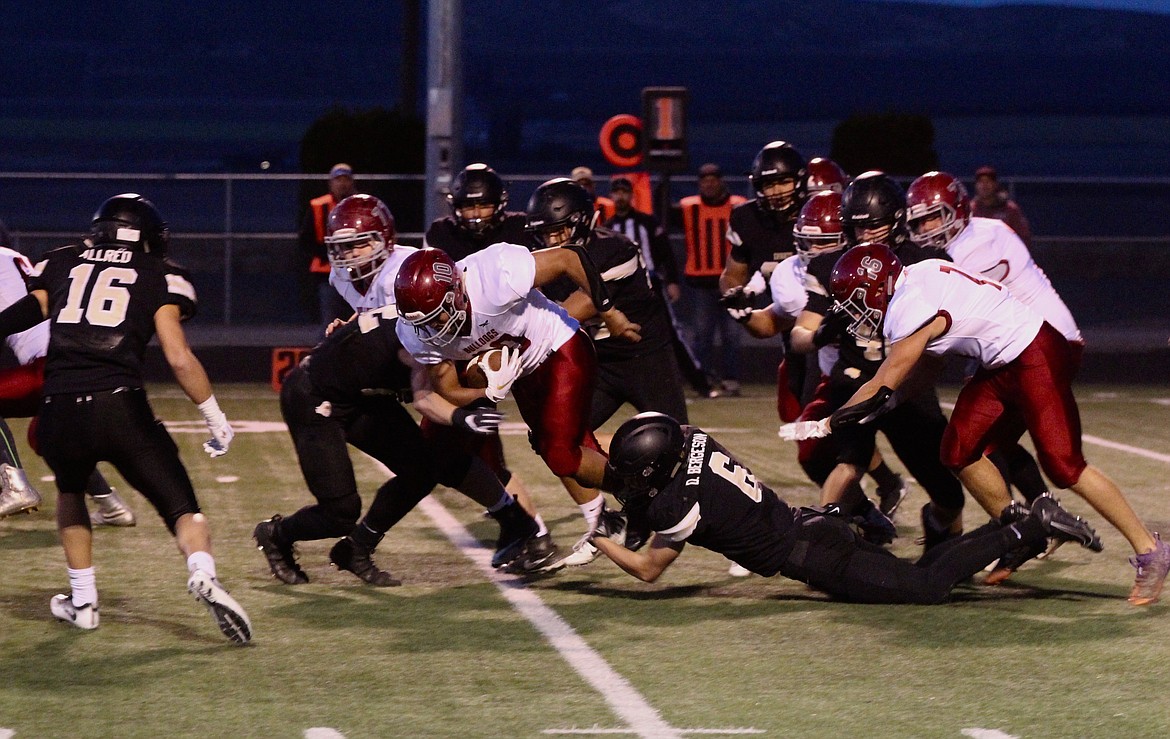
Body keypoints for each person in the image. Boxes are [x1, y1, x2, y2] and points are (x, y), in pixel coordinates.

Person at [789, 242, 1170, 606]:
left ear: (876, 289)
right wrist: (894, 400)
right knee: (957, 451)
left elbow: (880, 384)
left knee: (1064, 464)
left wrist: (829, 422)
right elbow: (929, 364)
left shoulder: (909, 305)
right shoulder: (916, 275)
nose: (856, 314)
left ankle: (1151, 551)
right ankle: (1021, 527)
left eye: (856, 301)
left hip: (1034, 353)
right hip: (1003, 363)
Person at [255, 193, 551, 584]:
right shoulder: (416, 326)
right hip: (318, 395)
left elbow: (419, 376)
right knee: (340, 509)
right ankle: (276, 534)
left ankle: (356, 548)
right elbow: (423, 390)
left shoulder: (415, 298)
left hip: (366, 389)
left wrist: (467, 407)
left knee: (426, 466)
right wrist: (465, 410)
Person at [0, 194, 251, 641]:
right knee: (182, 508)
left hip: (58, 408)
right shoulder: (161, 273)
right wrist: (213, 414)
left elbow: (23, 314)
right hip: (120, 405)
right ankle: (202, 572)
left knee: (72, 492)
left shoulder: (60, 260)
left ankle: (83, 602)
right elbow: (178, 356)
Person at [591, 412, 1101, 605]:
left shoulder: (678, 503)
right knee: (916, 571)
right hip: (811, 521)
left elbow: (647, 570)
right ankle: (1025, 530)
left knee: (926, 587)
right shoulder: (693, 439)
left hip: (810, 553)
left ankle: (1025, 526)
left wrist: (599, 537)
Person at [393, 245, 641, 571]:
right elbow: (448, 388)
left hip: (558, 346)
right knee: (551, 446)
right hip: (523, 370)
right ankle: (608, 518)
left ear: (456, 292)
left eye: (436, 315)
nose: (431, 329)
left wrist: (609, 312)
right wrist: (487, 391)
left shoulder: (493, 276)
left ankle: (642, 498)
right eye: (421, 323)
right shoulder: (418, 330)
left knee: (561, 452)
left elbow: (570, 257)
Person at [907, 170, 1075, 581]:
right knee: (983, 443)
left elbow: (947, 308)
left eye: (934, 217)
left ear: (957, 210)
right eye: (920, 221)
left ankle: (1039, 524)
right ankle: (1038, 519)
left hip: (1041, 346)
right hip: (1016, 347)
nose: (926, 228)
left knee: (984, 445)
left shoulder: (980, 242)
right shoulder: (970, 236)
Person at [789, 172, 963, 547]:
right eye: (858, 227)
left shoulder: (928, 261)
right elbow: (800, 336)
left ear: (897, 220)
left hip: (908, 387)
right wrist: (821, 332)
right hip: (856, 381)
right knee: (847, 463)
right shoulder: (831, 264)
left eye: (876, 225)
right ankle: (823, 546)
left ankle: (943, 544)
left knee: (948, 492)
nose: (867, 235)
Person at [422, 163, 555, 563]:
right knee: (460, 455)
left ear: (499, 204)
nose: (476, 214)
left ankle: (532, 532)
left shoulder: (520, 229)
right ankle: (528, 530)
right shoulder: (441, 235)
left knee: (458, 455)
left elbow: (544, 281)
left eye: (482, 205)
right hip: (464, 356)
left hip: (519, 344)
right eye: (468, 206)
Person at [0, 240, 135, 524]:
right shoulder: (13, 260)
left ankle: (15, 486)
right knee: (45, 435)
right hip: (78, 361)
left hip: (49, 364)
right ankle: (111, 505)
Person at [606, 175, 711, 397]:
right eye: (617, 192)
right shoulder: (608, 228)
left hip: (650, 284)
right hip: (619, 288)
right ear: (612, 196)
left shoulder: (647, 222)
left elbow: (666, 253)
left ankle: (699, 382)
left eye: (625, 192)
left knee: (671, 332)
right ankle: (619, 385)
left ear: (631, 195)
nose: (621, 197)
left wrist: (672, 280)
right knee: (618, 334)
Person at [678, 163, 746, 396]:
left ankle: (730, 379)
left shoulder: (737, 206)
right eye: (704, 179)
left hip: (732, 279)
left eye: (713, 179)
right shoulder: (689, 207)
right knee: (702, 334)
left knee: (731, 334)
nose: (708, 183)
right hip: (702, 282)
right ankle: (703, 379)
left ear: (720, 181)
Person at [298, 162, 358, 328]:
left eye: (346, 179)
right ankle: (326, 351)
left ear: (352, 182)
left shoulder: (360, 205)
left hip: (360, 272)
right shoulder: (318, 206)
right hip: (327, 272)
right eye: (338, 179)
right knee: (330, 319)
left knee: (361, 316)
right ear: (331, 182)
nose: (342, 184)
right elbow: (305, 239)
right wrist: (330, 255)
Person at [970, 166, 1031, 246]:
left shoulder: (1010, 209)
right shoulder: (970, 209)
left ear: (995, 184)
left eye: (988, 181)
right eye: (981, 182)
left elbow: (1023, 237)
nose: (984, 185)